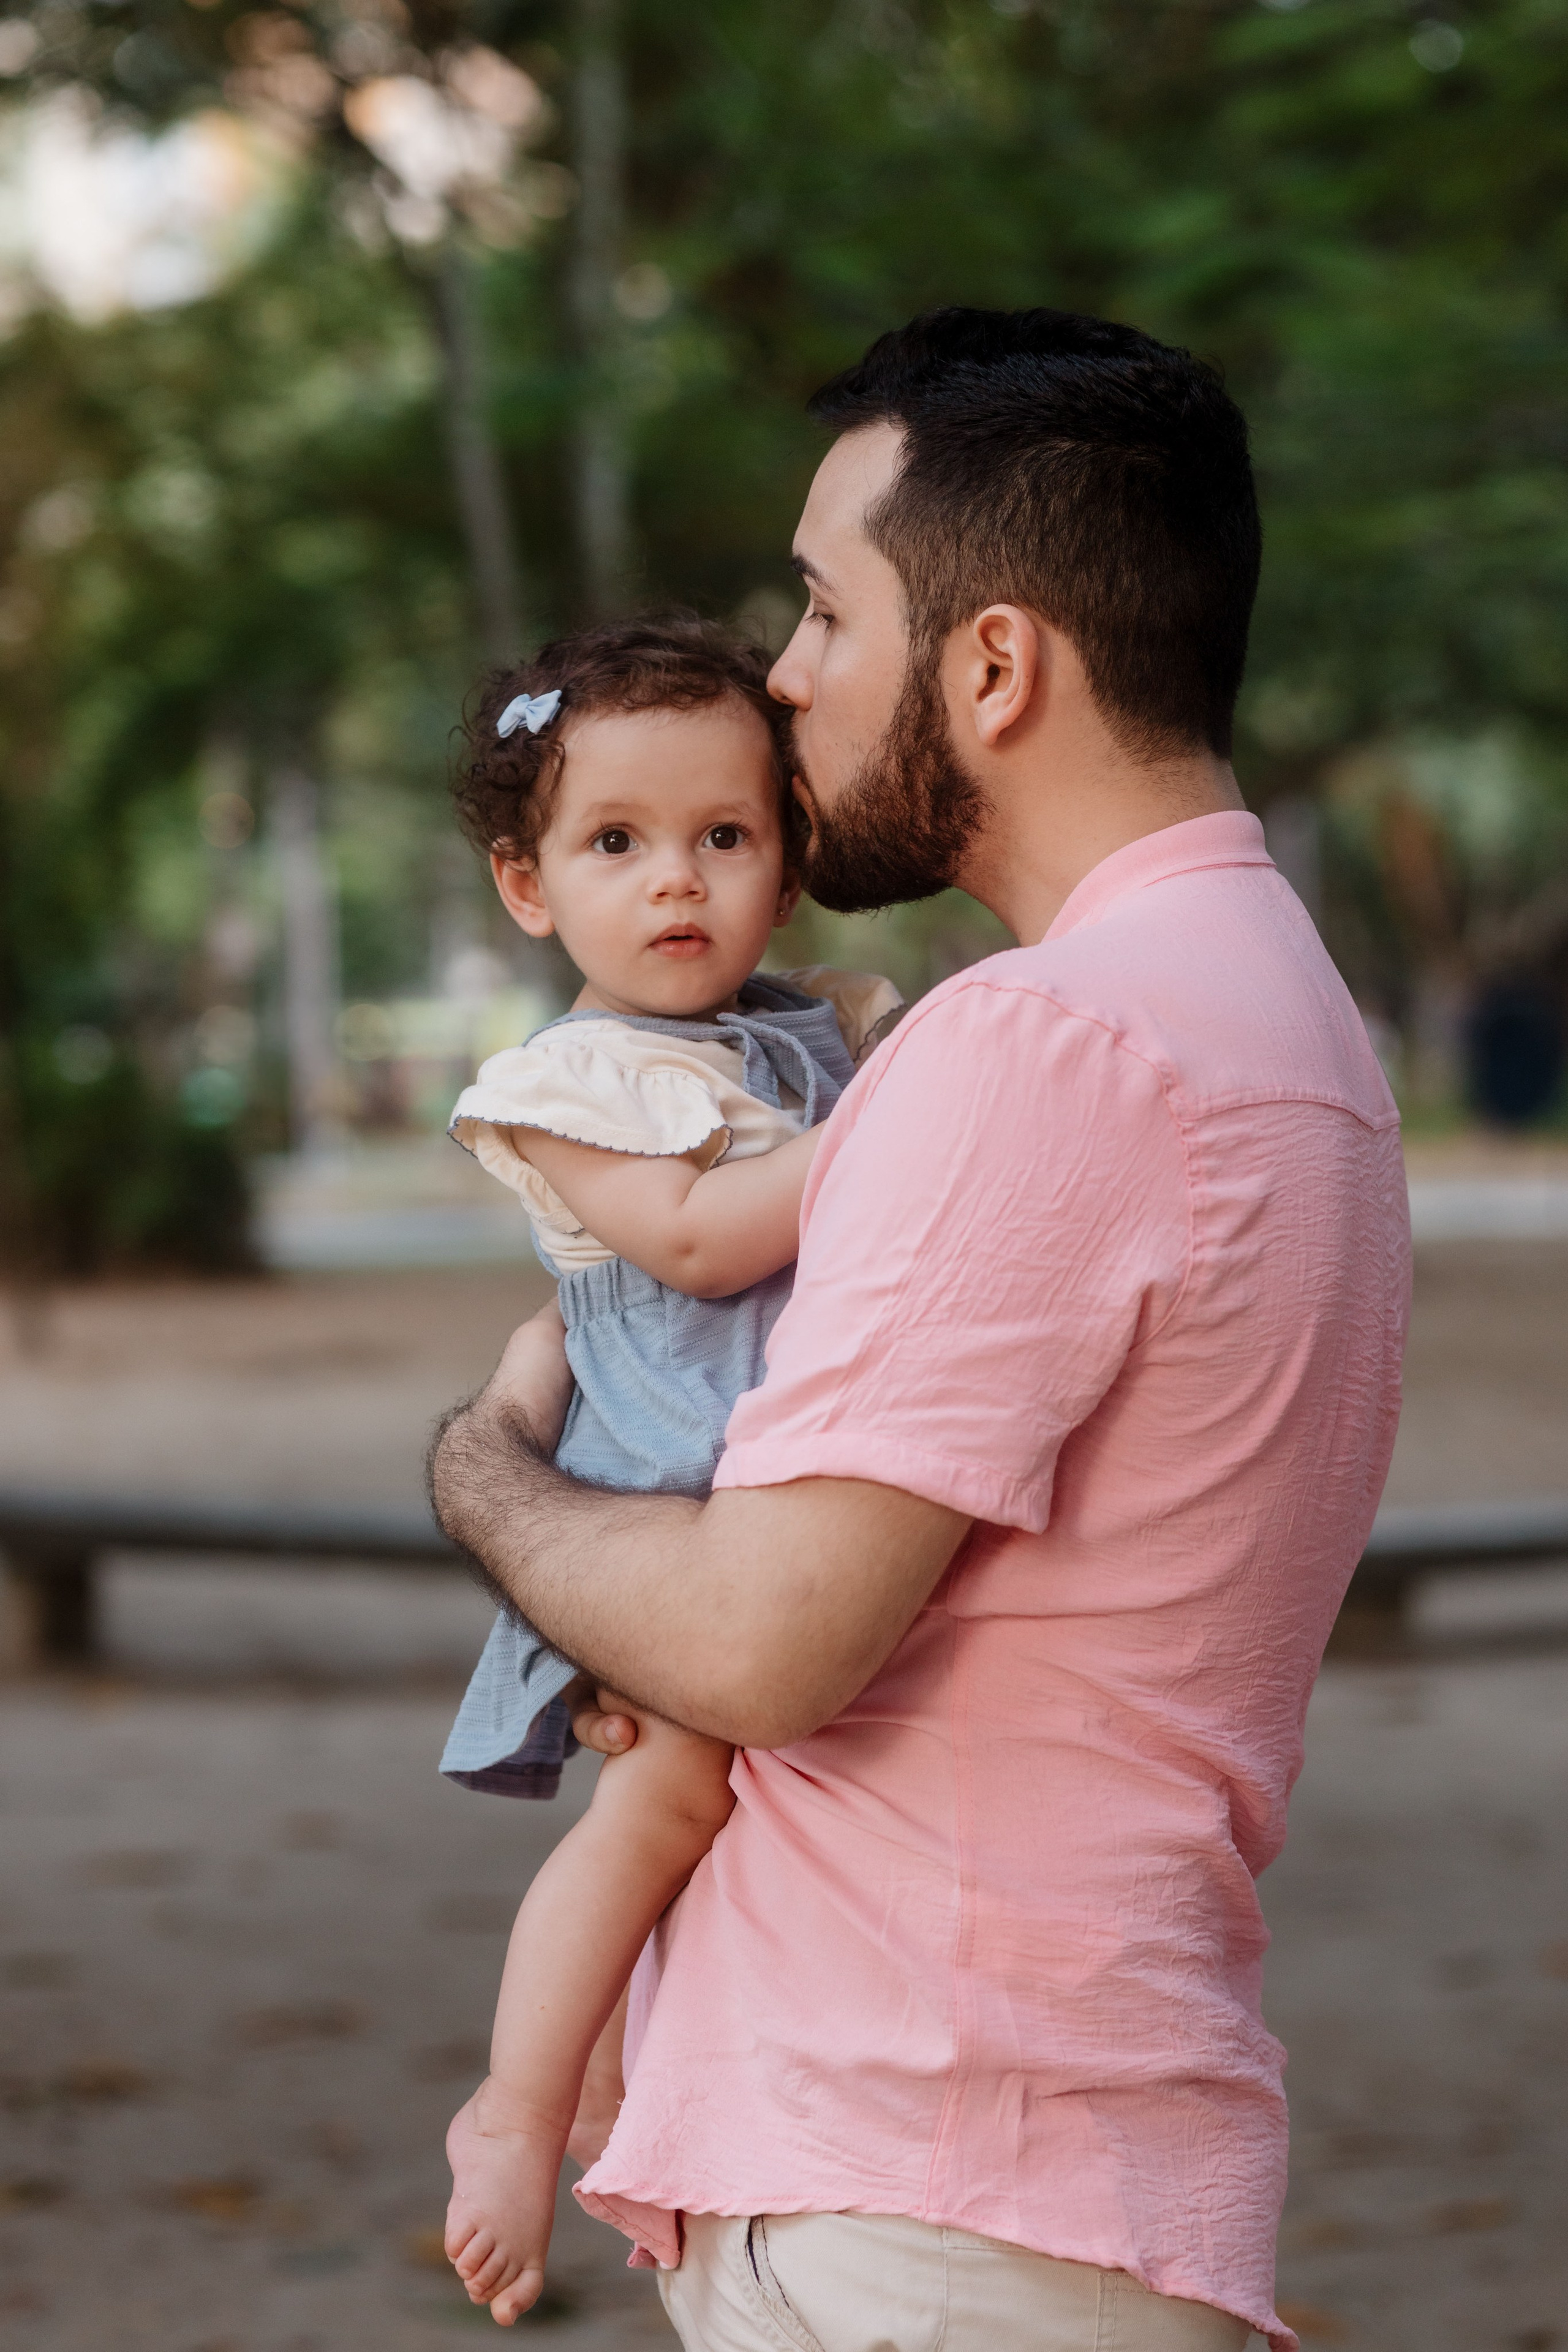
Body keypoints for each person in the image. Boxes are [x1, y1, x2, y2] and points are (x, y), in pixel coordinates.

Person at [429, 307, 1412, 2352]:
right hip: (1013, 2167)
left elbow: (755, 1642)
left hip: (932, 2205)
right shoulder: (1286, 1012)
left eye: (825, 608)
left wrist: (484, 1475)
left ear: (992, 665)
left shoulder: (1039, 1043)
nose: (784, 675)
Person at [434, 612, 901, 2323]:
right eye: (615, 843)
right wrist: (893, 1136)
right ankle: (518, 2100)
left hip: (779, 1499)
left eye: (725, 835)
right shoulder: (568, 1084)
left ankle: (632, 2087)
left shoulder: (818, 1025)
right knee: (672, 1800)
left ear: (786, 861)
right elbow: (701, 1243)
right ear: (529, 885)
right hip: (653, 1518)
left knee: (741, 1833)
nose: (678, 880)